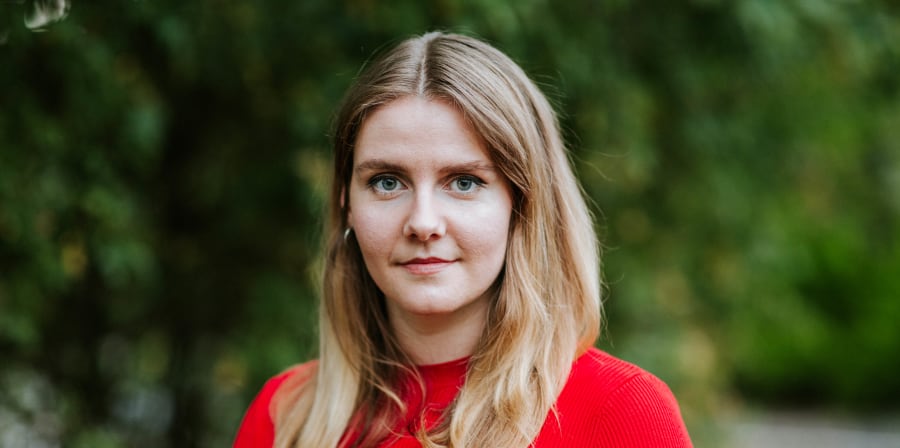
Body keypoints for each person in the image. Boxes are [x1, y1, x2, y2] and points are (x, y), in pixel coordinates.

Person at [234, 31, 693, 448]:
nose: (423, 222)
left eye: (464, 182)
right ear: (345, 202)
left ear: (523, 205)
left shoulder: (620, 411)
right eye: (388, 181)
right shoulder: (285, 417)